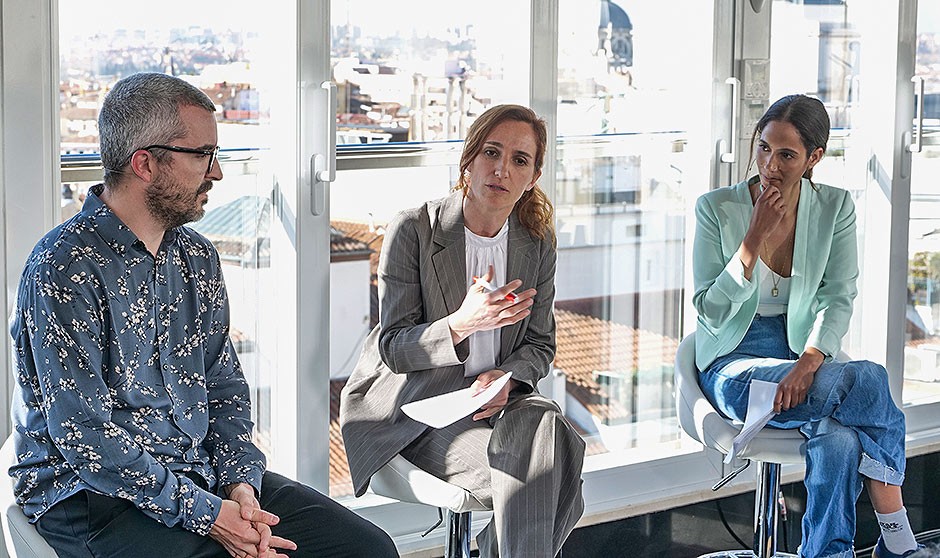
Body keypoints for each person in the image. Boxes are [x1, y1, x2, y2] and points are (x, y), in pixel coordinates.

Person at [9, 72, 398, 558]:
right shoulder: (63, 267)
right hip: (94, 497)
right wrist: (210, 516)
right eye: (203, 155)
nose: (217, 173)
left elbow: (224, 387)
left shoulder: (196, 257)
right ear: (145, 164)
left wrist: (240, 488)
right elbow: (84, 435)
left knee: (367, 548)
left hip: (197, 474)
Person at [340, 104, 585, 557]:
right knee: (553, 469)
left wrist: (506, 377)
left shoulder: (536, 242)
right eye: (491, 152)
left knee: (548, 430)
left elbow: (539, 344)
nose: (501, 169)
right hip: (416, 409)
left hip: (499, 405)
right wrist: (461, 323)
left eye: (519, 160)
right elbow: (393, 348)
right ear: (468, 159)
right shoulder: (415, 229)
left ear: (533, 177)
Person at [692, 94, 923, 558]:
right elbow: (709, 311)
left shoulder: (835, 207)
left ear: (814, 158)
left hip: (802, 357)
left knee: (840, 439)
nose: (769, 165)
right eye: (763, 148)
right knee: (869, 378)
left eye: (786, 155)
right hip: (733, 363)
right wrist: (752, 240)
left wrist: (808, 362)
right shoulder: (716, 208)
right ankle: (898, 537)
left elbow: (838, 295)